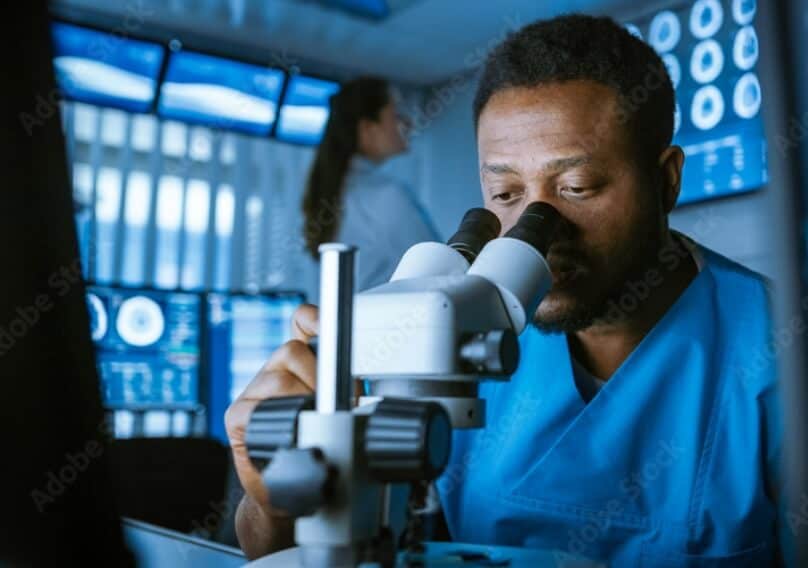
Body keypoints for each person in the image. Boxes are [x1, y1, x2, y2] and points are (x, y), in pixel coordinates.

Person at [225, 15, 784, 564]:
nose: (536, 230)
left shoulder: (777, 351)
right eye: (506, 193)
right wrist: (273, 493)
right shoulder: (455, 331)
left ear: (665, 181)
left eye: (577, 186)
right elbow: (289, 550)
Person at [302, 76, 439, 292]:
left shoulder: (336, 191)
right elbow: (441, 273)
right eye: (396, 115)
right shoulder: (385, 195)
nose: (408, 123)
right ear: (367, 129)